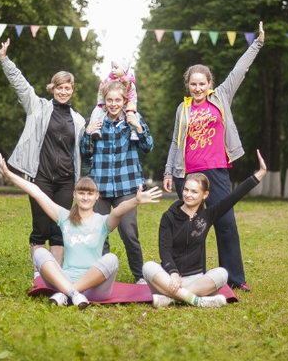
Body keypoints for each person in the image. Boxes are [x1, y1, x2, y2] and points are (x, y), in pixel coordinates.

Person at [162, 21, 265, 292]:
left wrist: (257, 44)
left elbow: (239, 70)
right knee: (192, 228)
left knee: (226, 223)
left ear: (210, 83)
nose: (197, 88)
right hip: (187, 174)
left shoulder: (220, 97)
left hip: (217, 170)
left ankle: (234, 278)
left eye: (202, 83)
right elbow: (175, 141)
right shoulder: (181, 109)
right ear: (188, 85)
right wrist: (168, 172)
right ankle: (193, 277)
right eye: (193, 84)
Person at [0, 154, 162, 308]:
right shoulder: (64, 217)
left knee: (111, 258)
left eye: (90, 194)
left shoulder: (102, 221)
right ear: (74, 194)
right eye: (81, 193)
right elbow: (37, 193)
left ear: (97, 196)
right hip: (64, 279)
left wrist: (135, 200)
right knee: (40, 253)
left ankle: (66, 294)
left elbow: (119, 210)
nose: (85, 197)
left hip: (95, 288)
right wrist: (9, 174)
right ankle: (72, 293)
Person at [0, 38, 86, 272]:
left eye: (68, 88)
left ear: (72, 90)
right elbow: (21, 85)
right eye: (60, 87)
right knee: (40, 228)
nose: (64, 91)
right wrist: (5, 61)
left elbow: (81, 150)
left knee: (60, 230)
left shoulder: (78, 120)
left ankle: (55, 274)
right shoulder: (38, 108)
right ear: (53, 88)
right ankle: (40, 273)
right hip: (41, 179)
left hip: (66, 182)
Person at [143, 150, 267, 308]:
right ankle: (197, 301)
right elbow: (164, 250)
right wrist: (173, 273)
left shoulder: (208, 215)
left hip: (196, 279)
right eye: (186, 190)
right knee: (147, 267)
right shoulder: (169, 216)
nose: (188, 194)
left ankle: (172, 299)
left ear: (205, 195)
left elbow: (234, 196)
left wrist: (261, 173)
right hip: (170, 279)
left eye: (194, 192)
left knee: (222, 273)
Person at [81, 79, 153, 283]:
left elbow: (148, 147)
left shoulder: (132, 121)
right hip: (100, 187)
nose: (113, 104)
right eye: (109, 100)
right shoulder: (97, 122)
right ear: (104, 101)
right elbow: (85, 152)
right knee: (100, 233)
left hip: (127, 186)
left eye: (117, 100)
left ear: (124, 102)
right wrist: (87, 134)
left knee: (128, 232)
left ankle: (140, 276)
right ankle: (103, 275)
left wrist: (139, 128)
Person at [89, 58, 139, 141]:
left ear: (124, 69)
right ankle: (96, 129)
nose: (113, 70)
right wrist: (102, 103)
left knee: (133, 115)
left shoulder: (130, 83)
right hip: (109, 105)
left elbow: (133, 97)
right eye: (112, 67)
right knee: (97, 111)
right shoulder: (108, 80)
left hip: (126, 105)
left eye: (116, 68)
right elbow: (101, 91)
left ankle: (133, 131)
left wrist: (130, 108)